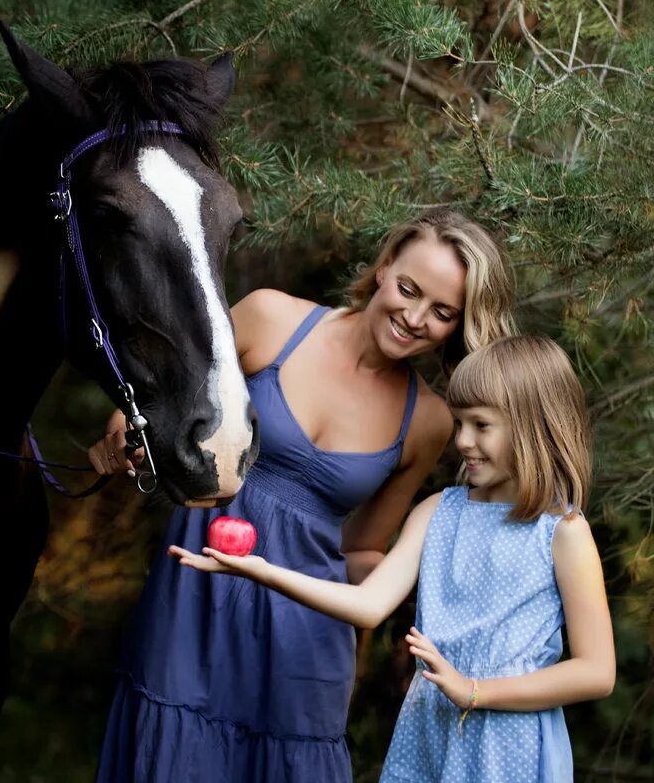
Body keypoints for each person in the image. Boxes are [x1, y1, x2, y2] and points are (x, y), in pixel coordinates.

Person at [92, 208, 516, 782]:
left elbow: (362, 551)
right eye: (408, 289)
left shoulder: (430, 421)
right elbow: (153, 407)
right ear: (385, 266)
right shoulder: (269, 317)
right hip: (197, 592)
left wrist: (438, 599)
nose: (415, 318)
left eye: (443, 312)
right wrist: (125, 433)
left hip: (306, 637)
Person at [173, 335, 616, 782]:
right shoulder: (438, 511)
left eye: (481, 425)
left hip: (509, 742)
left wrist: (475, 691)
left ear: (532, 426)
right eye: (459, 423)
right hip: (430, 728)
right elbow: (368, 605)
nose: (462, 440)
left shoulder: (562, 532)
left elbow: (597, 672)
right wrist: (262, 571)